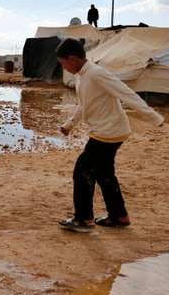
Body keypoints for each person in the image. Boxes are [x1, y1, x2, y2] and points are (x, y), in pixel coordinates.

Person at [55, 38, 164, 232]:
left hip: (109, 132)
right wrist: (69, 124)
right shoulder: (82, 75)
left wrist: (154, 117)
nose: (63, 68)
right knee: (105, 174)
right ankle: (119, 216)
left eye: (63, 63)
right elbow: (84, 103)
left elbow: (125, 93)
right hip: (105, 131)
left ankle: (84, 219)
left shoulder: (96, 73)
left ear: (71, 58)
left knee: (83, 170)